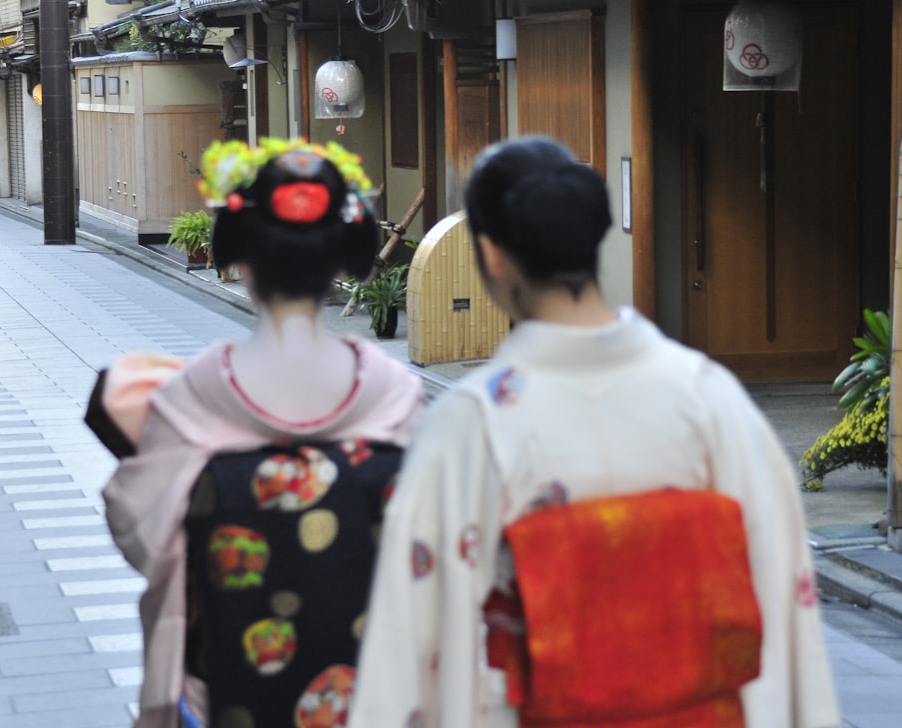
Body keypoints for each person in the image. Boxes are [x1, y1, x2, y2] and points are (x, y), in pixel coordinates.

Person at [348, 137, 839, 728]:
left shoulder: (473, 424)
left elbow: (414, 638)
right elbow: (780, 587)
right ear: (593, 238)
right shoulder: (708, 397)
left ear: (492, 256)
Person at [85, 138, 424, 728]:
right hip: (374, 692)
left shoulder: (193, 393)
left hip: (230, 690)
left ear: (241, 258)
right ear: (344, 257)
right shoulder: (393, 394)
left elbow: (136, 524)